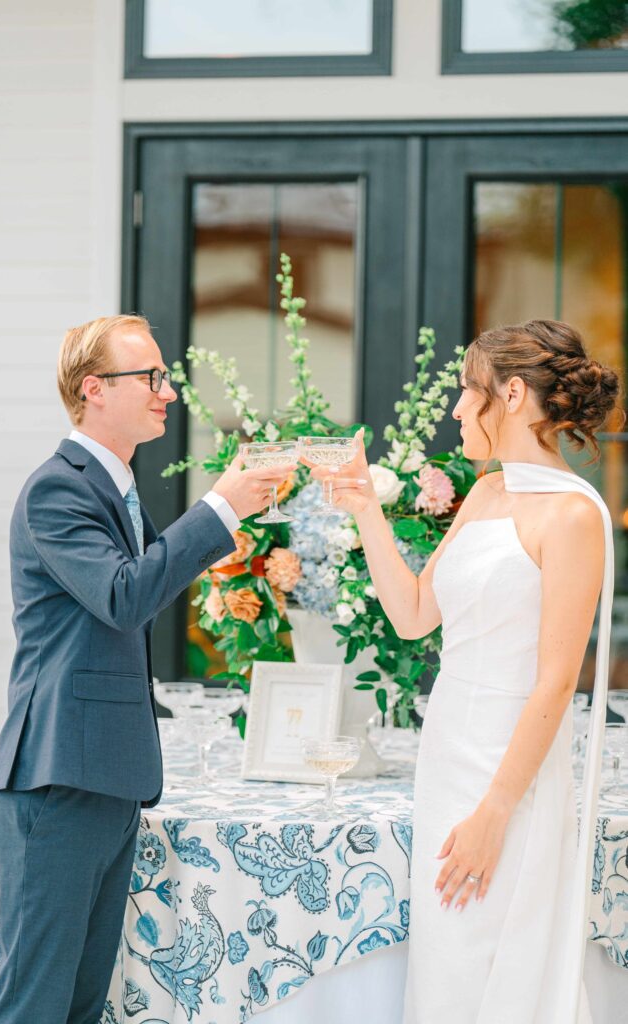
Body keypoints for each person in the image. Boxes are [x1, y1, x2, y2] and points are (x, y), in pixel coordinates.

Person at [305, 320, 622, 1023]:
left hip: (509, 776)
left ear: (509, 394)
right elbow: (414, 614)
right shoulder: (483, 495)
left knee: (497, 961)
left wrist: (494, 812)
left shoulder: (573, 516)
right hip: (448, 754)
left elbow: (554, 681)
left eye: (464, 392)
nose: (454, 409)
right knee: (446, 967)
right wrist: (363, 510)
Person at [0, 314, 294, 1024]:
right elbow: (125, 596)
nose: (168, 392)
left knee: (81, 1006)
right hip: (56, 778)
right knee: (35, 1007)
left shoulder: (115, 489)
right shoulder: (56, 489)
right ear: (93, 389)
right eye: (150, 377)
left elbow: (141, 582)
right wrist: (221, 504)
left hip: (104, 777)